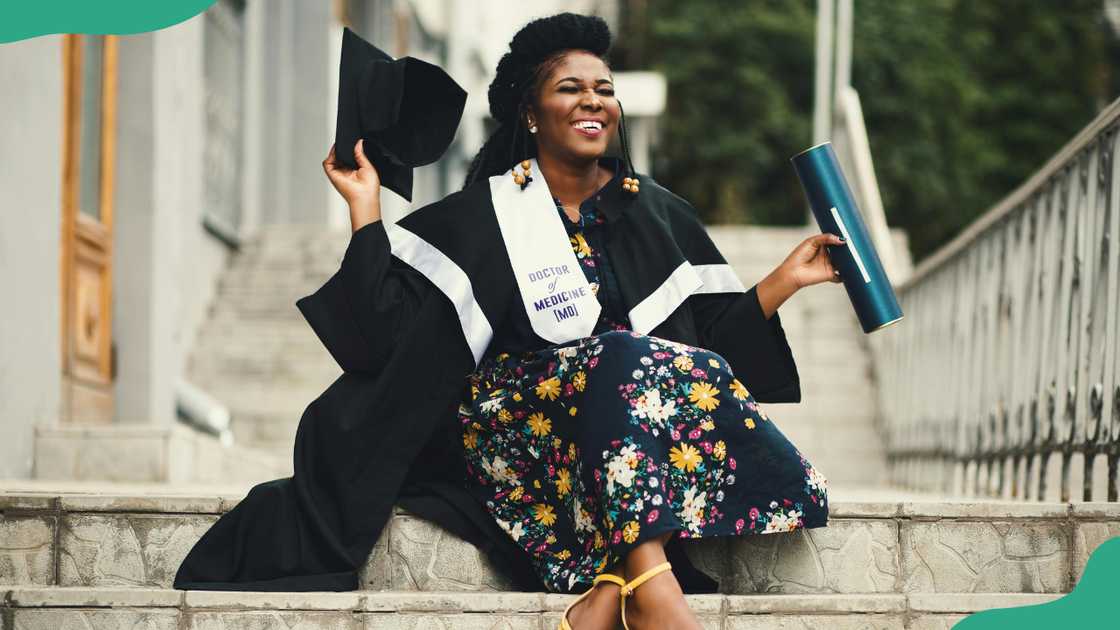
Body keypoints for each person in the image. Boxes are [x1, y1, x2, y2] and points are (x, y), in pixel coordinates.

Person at [320, 13, 839, 630]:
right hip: (517, 434)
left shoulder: (660, 214)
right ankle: (653, 591)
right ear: (531, 111)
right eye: (571, 87)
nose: (594, 100)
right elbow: (384, 337)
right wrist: (364, 207)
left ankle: (616, 591)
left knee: (646, 361)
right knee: (619, 353)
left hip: (620, 437)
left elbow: (705, 363)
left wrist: (784, 281)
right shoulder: (483, 216)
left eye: (605, 89)